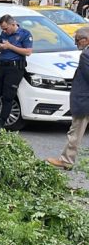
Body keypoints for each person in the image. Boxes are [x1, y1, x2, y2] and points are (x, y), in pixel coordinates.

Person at [46, 27, 89, 169]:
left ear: (85, 39)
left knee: (75, 132)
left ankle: (66, 160)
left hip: (84, 99)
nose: (76, 44)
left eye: (77, 40)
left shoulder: (85, 55)